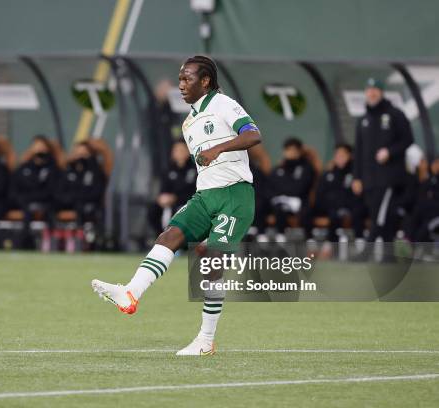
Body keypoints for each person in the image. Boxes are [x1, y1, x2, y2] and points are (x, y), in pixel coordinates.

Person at [92, 55, 261, 356]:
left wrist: (218, 147)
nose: (181, 85)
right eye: (180, 79)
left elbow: (253, 134)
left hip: (235, 196)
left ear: (205, 81)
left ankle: (205, 340)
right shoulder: (188, 123)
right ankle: (130, 292)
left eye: (188, 79)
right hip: (205, 195)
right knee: (168, 237)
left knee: (211, 263)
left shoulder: (223, 104)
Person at [352, 78, 414, 243]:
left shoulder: (395, 114)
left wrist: (390, 151)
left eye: (375, 90)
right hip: (369, 179)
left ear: (381, 92)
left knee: (383, 214)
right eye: (369, 90)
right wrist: (357, 177)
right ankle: (386, 253)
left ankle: (370, 248)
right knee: (376, 214)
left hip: (389, 178)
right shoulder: (363, 119)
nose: (372, 93)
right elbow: (358, 151)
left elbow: (408, 139)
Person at [304, 144, 366, 251]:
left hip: (347, 207)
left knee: (349, 212)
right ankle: (310, 241)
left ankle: (358, 243)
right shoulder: (328, 172)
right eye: (337, 155)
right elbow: (320, 193)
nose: (339, 157)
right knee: (307, 210)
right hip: (329, 206)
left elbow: (356, 195)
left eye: (342, 155)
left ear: (350, 156)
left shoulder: (356, 174)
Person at [10, 135, 60, 249]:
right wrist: (24, 199)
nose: (39, 150)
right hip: (24, 203)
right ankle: (23, 243)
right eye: (36, 146)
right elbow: (14, 190)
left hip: (47, 203)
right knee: (25, 209)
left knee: (50, 211)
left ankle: (51, 244)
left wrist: (33, 197)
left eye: (42, 147)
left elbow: (53, 191)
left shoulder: (53, 169)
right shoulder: (23, 168)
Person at [268, 137, 315, 242]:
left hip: (300, 202)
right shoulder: (278, 169)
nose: (291, 153)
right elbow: (272, 187)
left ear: (299, 152)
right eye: (288, 150)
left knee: (306, 212)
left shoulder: (306, 168)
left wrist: (285, 190)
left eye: (294, 150)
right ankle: (281, 240)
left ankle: (310, 241)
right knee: (278, 208)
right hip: (281, 202)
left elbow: (301, 187)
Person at [147, 141, 196, 237]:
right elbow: (163, 189)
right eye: (176, 150)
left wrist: (175, 198)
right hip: (170, 203)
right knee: (153, 210)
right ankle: (161, 238)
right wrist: (162, 198)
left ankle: (180, 241)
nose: (179, 153)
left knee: (178, 211)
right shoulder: (168, 170)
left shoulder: (194, 169)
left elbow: (194, 191)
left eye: (182, 150)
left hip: (188, 203)